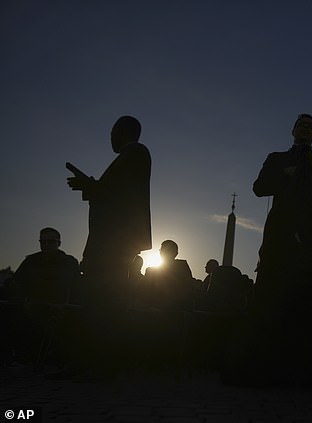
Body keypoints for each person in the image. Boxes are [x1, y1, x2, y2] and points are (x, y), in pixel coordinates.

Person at [223, 113, 312, 388]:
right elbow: (258, 187)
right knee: (271, 302)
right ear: (293, 130)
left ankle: (310, 371)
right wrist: (282, 176)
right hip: (281, 238)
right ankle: (265, 368)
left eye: (311, 126)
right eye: (301, 124)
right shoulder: (276, 158)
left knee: (311, 304)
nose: (305, 128)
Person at [66, 115, 151, 377]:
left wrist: (89, 185)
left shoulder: (135, 153)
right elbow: (113, 192)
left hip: (113, 241)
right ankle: (99, 364)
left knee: (101, 302)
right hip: (114, 240)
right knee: (102, 302)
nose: (110, 137)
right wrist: (90, 186)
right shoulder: (131, 157)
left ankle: (96, 365)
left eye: (113, 132)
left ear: (123, 132)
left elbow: (116, 193)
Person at [13, 227, 80, 304]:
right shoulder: (30, 261)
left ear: (59, 243)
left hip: (62, 312)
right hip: (33, 310)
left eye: (51, 241)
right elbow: (15, 283)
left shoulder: (70, 263)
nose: (46, 244)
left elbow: (78, 288)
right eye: (43, 242)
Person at [145, 240, 195, 310]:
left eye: (162, 250)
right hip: (171, 309)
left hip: (171, 310)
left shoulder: (151, 271)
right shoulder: (182, 266)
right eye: (161, 250)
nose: (160, 252)